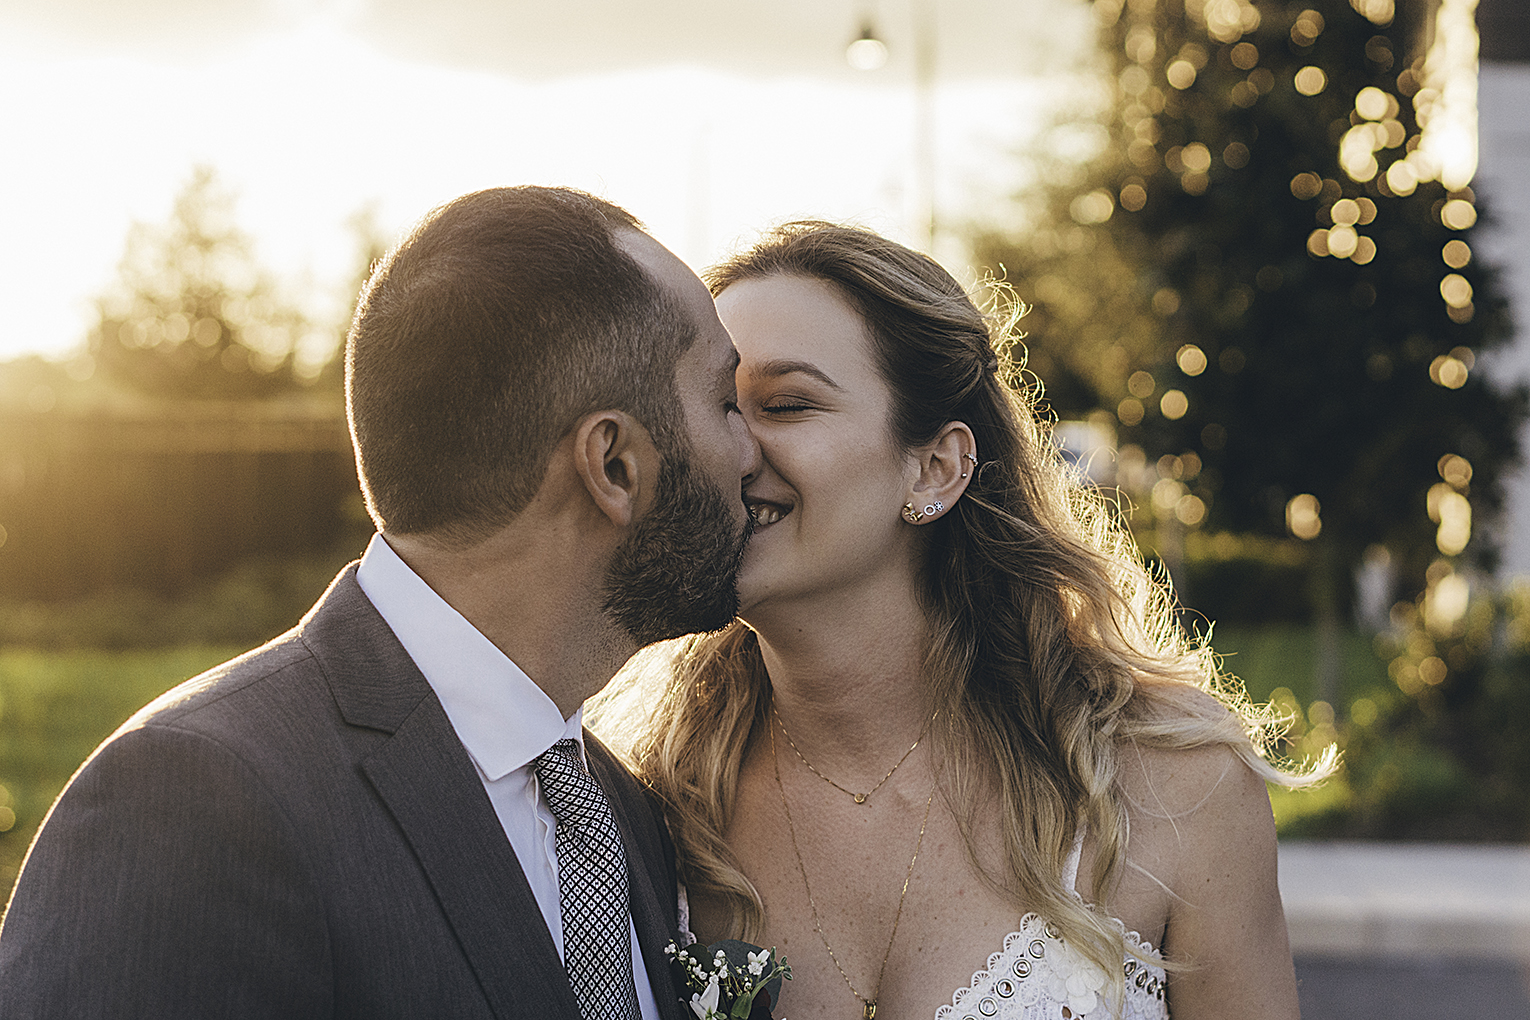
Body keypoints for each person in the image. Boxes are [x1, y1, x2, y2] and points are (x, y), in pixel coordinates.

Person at [0, 186, 759, 1020]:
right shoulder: (191, 800)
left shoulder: (624, 812)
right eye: (727, 403)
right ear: (613, 464)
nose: (755, 453)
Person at [607, 222, 1334, 1020]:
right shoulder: (645, 808)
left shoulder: (1175, 788)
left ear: (936, 467)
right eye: (715, 408)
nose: (730, 453)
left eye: (785, 404)